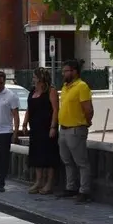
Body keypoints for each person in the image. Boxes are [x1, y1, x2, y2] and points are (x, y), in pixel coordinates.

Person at [57, 59, 94, 203]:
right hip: (64, 129)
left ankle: (84, 191)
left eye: (66, 71)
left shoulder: (82, 86)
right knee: (67, 161)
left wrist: (86, 122)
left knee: (81, 162)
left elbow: (88, 109)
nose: (63, 74)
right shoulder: (66, 87)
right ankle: (70, 187)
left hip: (76, 129)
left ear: (74, 71)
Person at [22, 67, 59, 195]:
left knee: (48, 155)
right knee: (36, 154)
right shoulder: (32, 91)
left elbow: (55, 109)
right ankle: (39, 181)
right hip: (35, 128)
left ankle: (49, 183)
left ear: (40, 78)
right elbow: (29, 108)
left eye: (35, 77)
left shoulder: (51, 91)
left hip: (47, 127)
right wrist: (25, 123)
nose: (33, 79)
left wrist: (53, 127)